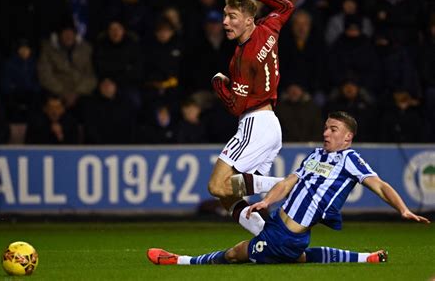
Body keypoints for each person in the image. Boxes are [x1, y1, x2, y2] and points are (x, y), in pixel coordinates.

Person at [147, 111, 431, 266]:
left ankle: (180, 261)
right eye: (326, 128)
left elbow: (379, 185)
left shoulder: (350, 159)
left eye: (333, 129)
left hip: (286, 238)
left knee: (235, 254)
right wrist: (265, 201)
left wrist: (403, 209)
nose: (326, 133)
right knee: (224, 195)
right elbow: (286, 183)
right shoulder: (313, 156)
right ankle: (365, 258)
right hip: (277, 226)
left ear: (348, 137)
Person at [208, 0, 294, 236]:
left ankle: (291, 184)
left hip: (254, 123)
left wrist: (219, 84)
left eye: (232, 16)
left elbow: (235, 106)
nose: (225, 22)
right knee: (228, 195)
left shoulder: (243, 58)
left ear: (248, 20)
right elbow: (286, 6)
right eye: (224, 15)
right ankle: (268, 237)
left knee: (217, 186)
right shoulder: (269, 27)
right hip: (269, 124)